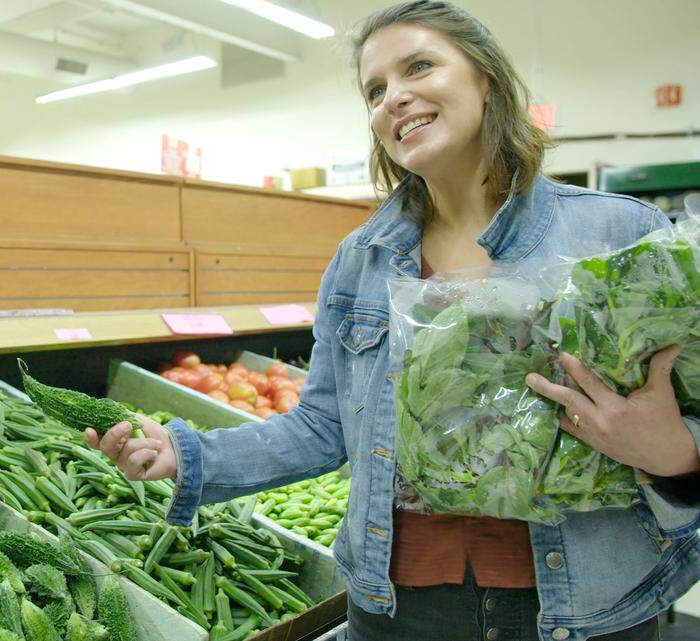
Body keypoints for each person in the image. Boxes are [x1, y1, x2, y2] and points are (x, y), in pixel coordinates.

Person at [83, 2, 700, 640]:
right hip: (401, 610)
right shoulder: (362, 261)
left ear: (485, 78)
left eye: (419, 67)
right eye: (375, 91)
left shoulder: (619, 233)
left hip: (587, 610)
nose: (394, 99)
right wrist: (185, 453)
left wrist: (676, 452)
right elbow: (323, 428)